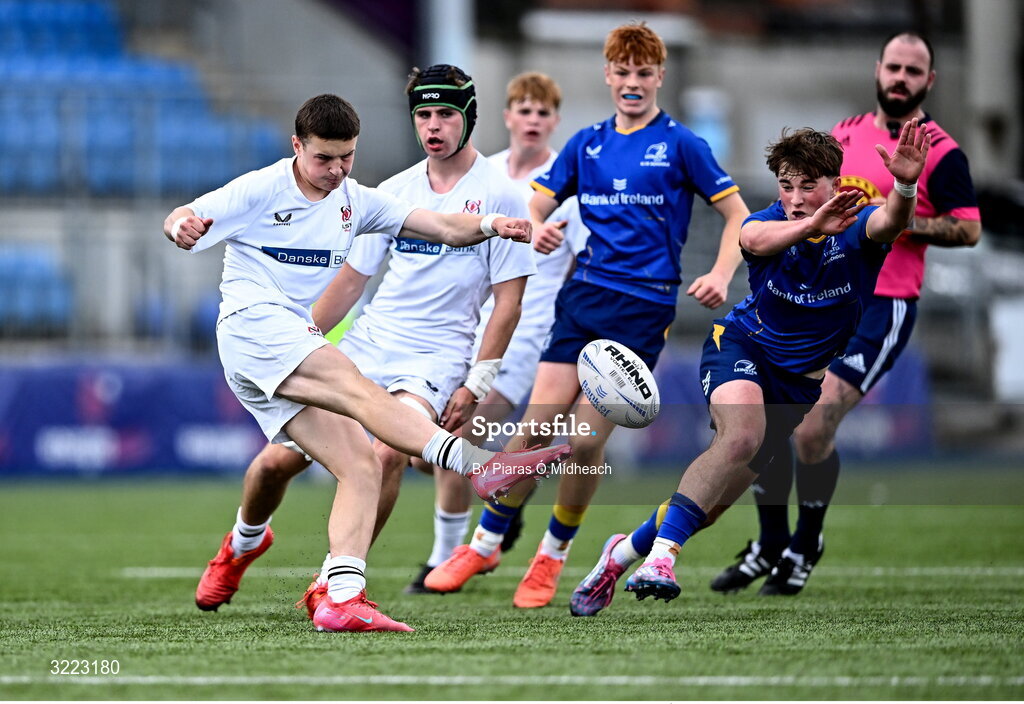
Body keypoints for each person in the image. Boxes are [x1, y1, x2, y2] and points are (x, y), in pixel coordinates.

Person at [164, 93, 571, 632]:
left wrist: (494, 224)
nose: (335, 171)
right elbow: (184, 214)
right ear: (297, 147)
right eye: (323, 159)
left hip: (300, 338)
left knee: (361, 464)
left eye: (346, 158)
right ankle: (481, 466)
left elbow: (444, 226)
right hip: (254, 329)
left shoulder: (357, 200)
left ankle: (334, 595)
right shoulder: (262, 187)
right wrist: (182, 227)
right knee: (359, 393)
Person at [423, 21, 750, 609]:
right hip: (584, 298)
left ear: (659, 77)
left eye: (643, 73)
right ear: (606, 75)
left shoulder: (682, 144)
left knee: (580, 440)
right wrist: (539, 224)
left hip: (644, 308)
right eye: (622, 72)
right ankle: (486, 541)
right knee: (535, 428)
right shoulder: (587, 144)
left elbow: (738, 218)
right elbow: (534, 202)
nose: (632, 82)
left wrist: (722, 272)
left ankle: (551, 556)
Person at [568, 120, 930, 617]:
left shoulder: (858, 228)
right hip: (741, 348)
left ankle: (622, 552)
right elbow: (755, 240)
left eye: (809, 185)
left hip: (796, 387)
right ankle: (660, 562)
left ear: (835, 184)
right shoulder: (765, 224)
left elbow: (891, 221)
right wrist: (808, 225)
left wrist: (906, 185)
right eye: (787, 184)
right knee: (739, 438)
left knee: (709, 506)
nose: (797, 196)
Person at [710, 31, 982, 598]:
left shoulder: (941, 150)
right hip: (815, 301)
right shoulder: (843, 135)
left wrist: (891, 221)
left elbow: (970, 226)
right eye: (894, 66)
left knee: (812, 426)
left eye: (914, 69)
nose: (901, 77)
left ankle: (805, 544)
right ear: (877, 69)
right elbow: (793, 205)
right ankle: (769, 541)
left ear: (929, 81)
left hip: (884, 305)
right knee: (770, 421)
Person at [404, 71, 590, 593]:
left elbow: (586, 264)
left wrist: (552, 245)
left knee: (454, 433)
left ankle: (444, 559)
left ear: (554, 121)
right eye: (523, 110)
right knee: (428, 449)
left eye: (542, 112)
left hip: (531, 327)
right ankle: (510, 491)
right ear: (506, 117)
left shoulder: (567, 182)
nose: (532, 120)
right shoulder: (486, 176)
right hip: (472, 323)